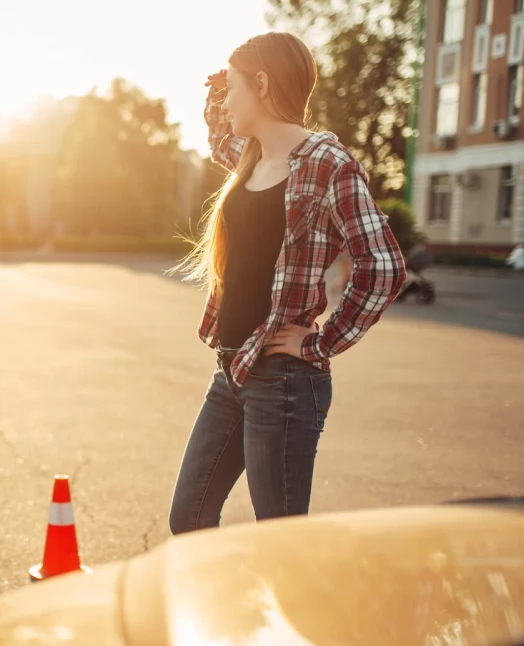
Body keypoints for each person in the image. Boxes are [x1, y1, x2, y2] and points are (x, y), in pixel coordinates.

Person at [168, 32, 406, 535]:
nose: (227, 101)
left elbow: (382, 266)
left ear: (262, 83)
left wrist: (321, 342)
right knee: (188, 517)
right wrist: (218, 87)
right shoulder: (252, 155)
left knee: (279, 542)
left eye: (235, 88)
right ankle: (236, 613)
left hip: (283, 381)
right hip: (233, 368)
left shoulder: (325, 162)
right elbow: (218, 134)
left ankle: (296, 615)